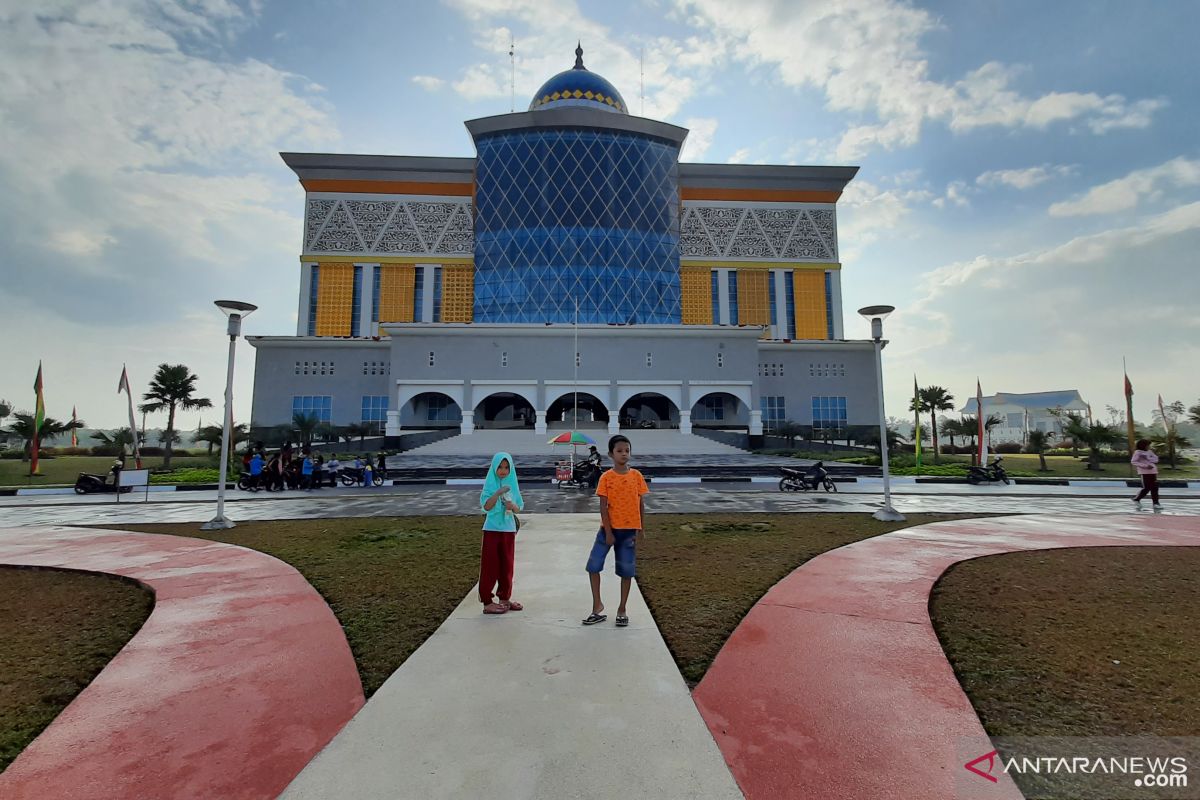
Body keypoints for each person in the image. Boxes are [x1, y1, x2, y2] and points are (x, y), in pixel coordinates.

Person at [583, 435, 648, 628]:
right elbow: (603, 507)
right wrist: (609, 532)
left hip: (629, 532)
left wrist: (641, 528)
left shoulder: (636, 476)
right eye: (619, 451)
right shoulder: (606, 477)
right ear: (611, 454)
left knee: (626, 571)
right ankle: (597, 606)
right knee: (593, 566)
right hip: (608, 531)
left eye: (627, 450)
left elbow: (641, 503)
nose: (624, 454)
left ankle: (622, 609)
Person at [479, 452, 524, 614]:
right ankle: (487, 601)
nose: (503, 470)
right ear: (494, 467)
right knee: (490, 565)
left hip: (508, 529)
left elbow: (519, 507)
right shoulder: (490, 484)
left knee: (507, 566)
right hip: (492, 529)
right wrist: (497, 493)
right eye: (500, 467)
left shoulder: (512, 483)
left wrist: (512, 506)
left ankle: (504, 598)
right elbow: (486, 506)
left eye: (506, 467)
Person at [1131, 439, 1162, 511]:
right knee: (1147, 488)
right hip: (1144, 472)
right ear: (1143, 445)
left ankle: (1156, 503)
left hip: (1153, 471)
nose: (1149, 447)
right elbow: (1134, 462)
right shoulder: (1137, 452)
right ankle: (1136, 499)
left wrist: (1148, 458)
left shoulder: (1149, 452)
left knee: (1155, 487)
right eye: (1147, 445)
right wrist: (1145, 466)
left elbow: (1156, 459)